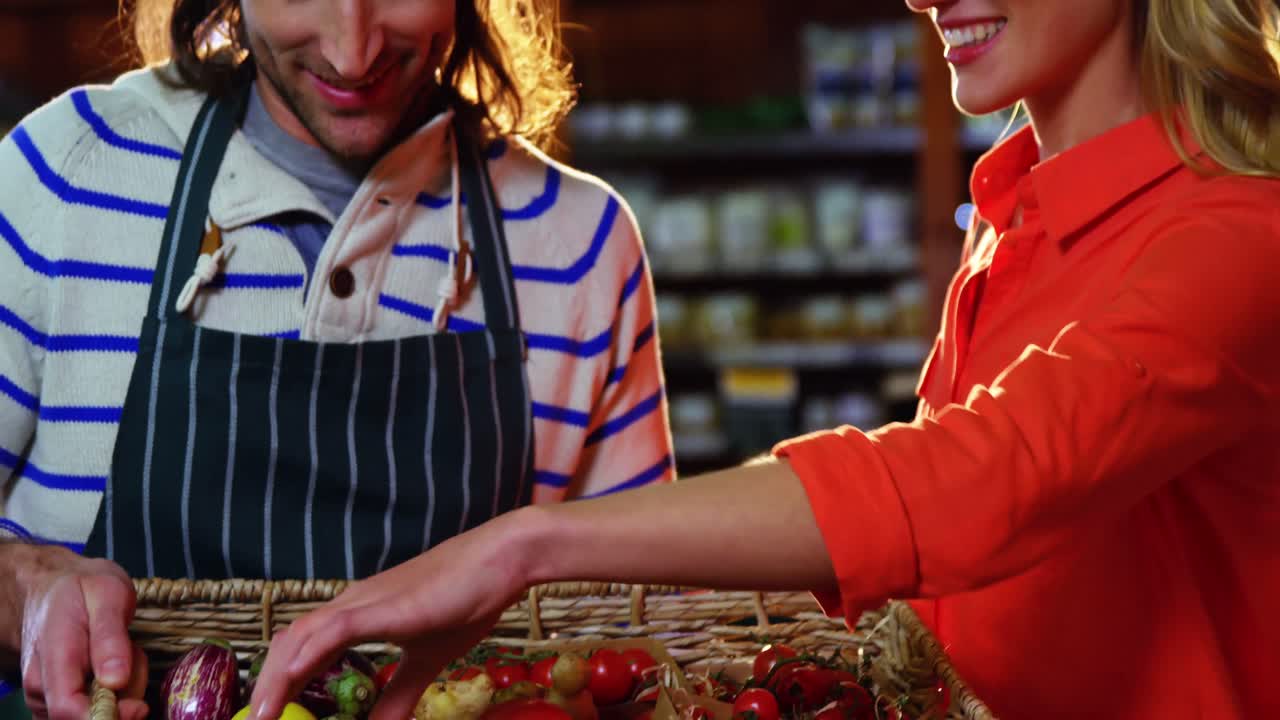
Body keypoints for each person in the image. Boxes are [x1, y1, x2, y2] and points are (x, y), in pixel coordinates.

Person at [248, 0, 1280, 718]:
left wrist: (521, 545)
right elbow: (955, 585)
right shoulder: (1011, 214)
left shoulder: (1239, 236)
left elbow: (984, 481)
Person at [0, 0, 674, 716]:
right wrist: (20, 587)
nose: (353, 53)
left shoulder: (578, 245)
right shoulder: (66, 176)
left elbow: (650, 636)